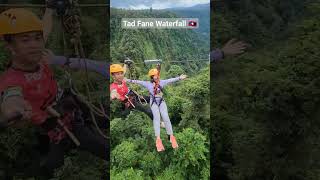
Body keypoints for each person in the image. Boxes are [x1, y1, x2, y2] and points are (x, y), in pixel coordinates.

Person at [0, 7, 108, 178]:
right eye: (25, 40)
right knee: (102, 148)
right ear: (10, 46)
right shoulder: (11, 80)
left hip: (71, 104)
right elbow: (11, 98)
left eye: (37, 39)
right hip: (60, 125)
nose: (35, 44)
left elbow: (45, 29)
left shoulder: (39, 57)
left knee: (106, 117)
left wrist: (50, 9)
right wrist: (12, 110)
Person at [126, 67, 187, 152]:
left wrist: (179, 78)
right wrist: (127, 80)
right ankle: (158, 140)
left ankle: (171, 137)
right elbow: (137, 81)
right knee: (157, 118)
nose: (156, 76)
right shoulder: (147, 84)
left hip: (161, 101)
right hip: (153, 101)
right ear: (151, 77)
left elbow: (170, 80)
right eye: (154, 75)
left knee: (166, 117)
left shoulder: (161, 82)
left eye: (157, 75)